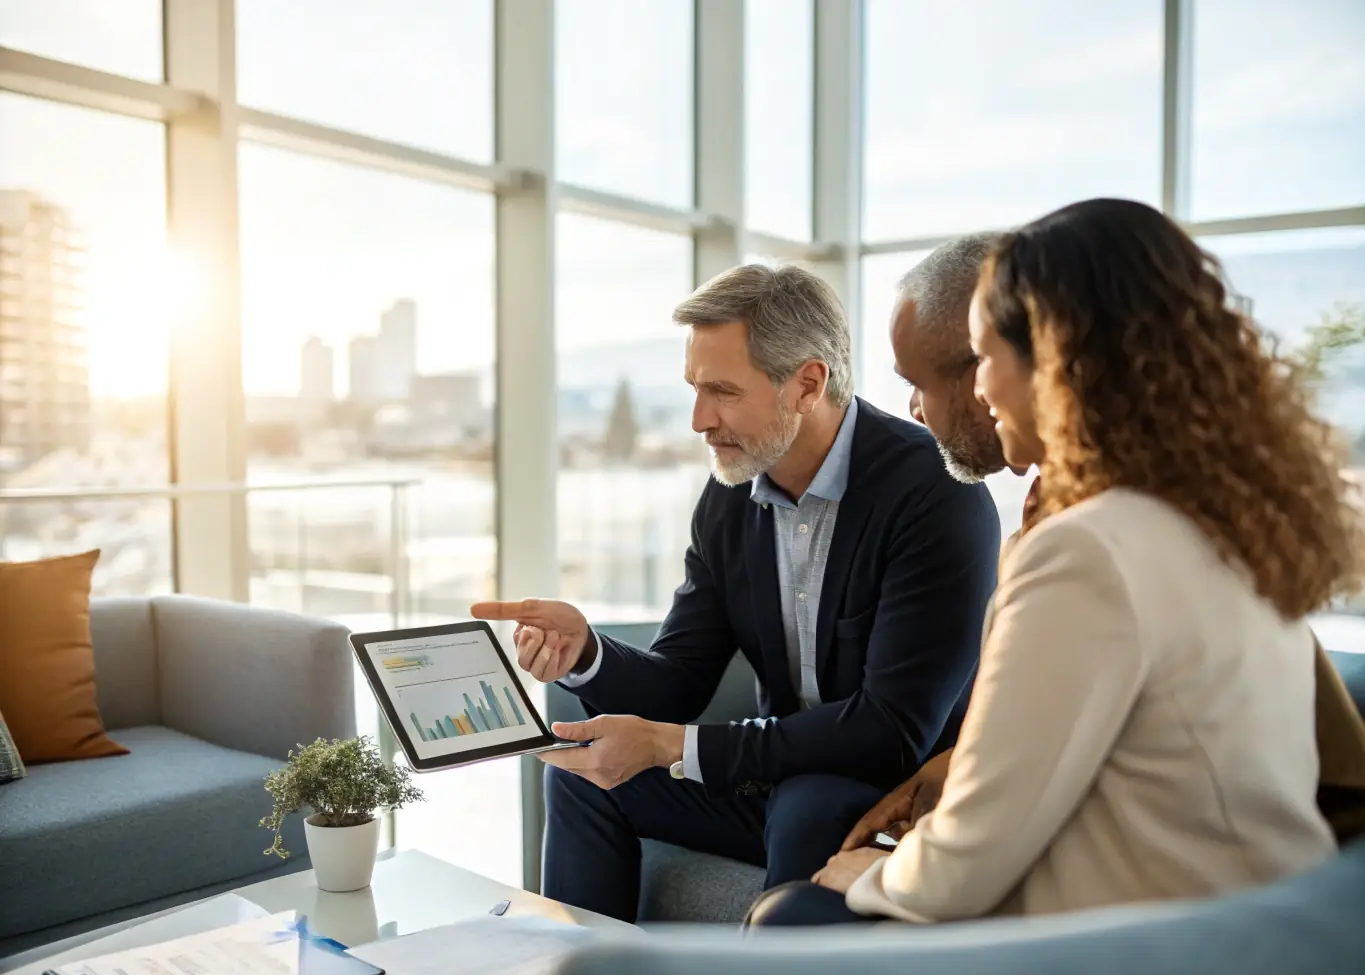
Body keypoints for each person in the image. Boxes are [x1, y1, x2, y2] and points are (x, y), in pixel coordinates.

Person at [748, 198, 1363, 928]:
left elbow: (964, 867)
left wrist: (869, 875)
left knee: (794, 914)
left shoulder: (1087, 550)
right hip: (1250, 920)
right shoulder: (1219, 525)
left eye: (987, 358)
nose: (981, 388)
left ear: (1054, 364)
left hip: (1149, 945)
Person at [473, 263, 1000, 923]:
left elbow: (889, 732)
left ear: (807, 385)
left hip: (889, 787)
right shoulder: (728, 498)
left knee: (808, 803)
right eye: (694, 389)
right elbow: (680, 680)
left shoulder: (933, 493)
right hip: (773, 771)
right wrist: (586, 653)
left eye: (721, 391)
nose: (699, 420)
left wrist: (675, 746)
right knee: (582, 776)